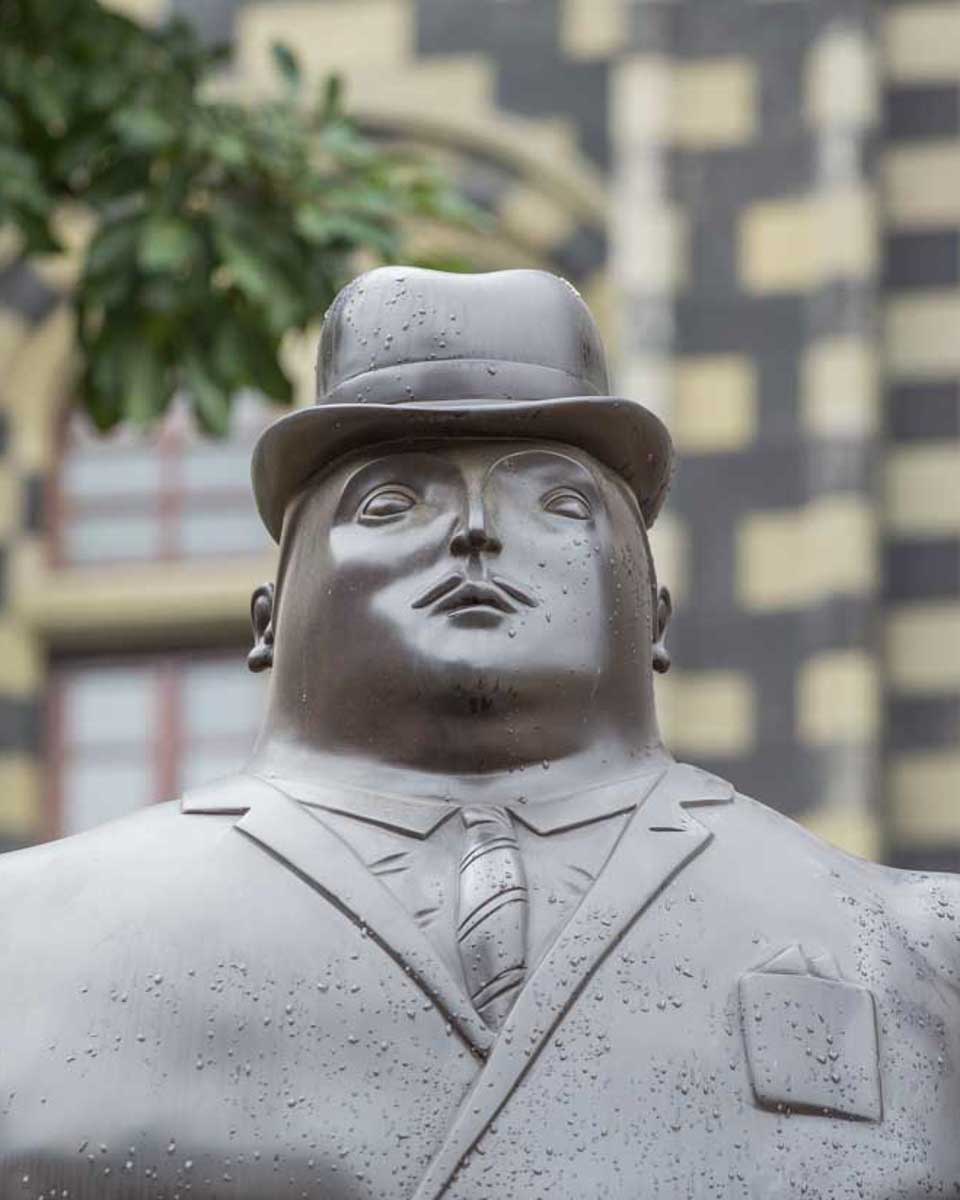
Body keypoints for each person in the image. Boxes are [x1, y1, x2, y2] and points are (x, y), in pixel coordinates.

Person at [1, 268, 957, 1200]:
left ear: (658, 614)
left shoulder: (917, 951)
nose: (474, 530)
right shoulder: (28, 939)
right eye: (391, 502)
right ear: (266, 619)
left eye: (558, 502)